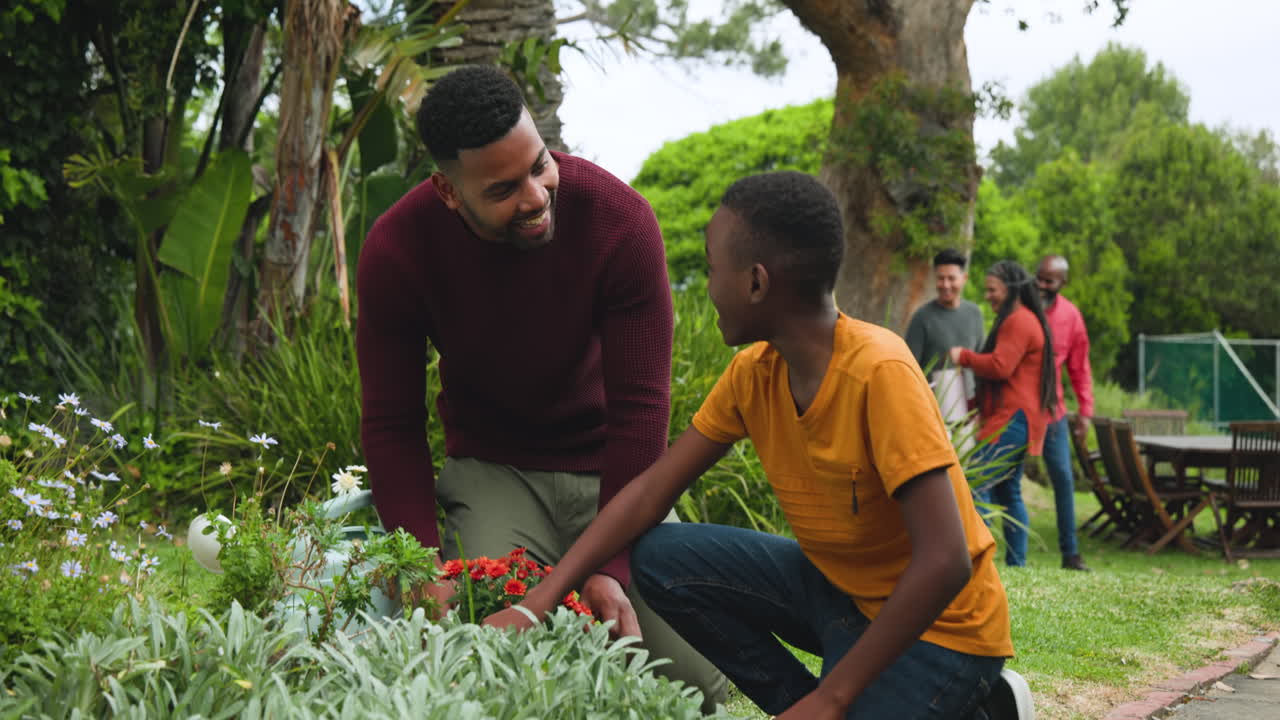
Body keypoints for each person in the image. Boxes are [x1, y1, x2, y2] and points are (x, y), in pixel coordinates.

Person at [486, 171, 1013, 719]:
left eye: (714, 269)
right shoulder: (753, 374)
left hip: (944, 630)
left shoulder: (879, 373)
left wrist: (834, 697)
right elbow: (649, 496)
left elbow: (946, 560)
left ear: (757, 283)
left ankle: (965, 702)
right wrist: (537, 602)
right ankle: (810, 705)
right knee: (664, 557)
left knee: (848, 699)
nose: (709, 286)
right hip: (842, 596)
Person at [355, 65, 726, 709]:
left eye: (540, 164)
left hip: (614, 472)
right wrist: (417, 566)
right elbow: (392, 423)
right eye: (502, 188)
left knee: (697, 684)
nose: (535, 195)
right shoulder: (397, 248)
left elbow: (641, 411)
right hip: (494, 471)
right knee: (487, 660)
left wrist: (608, 568)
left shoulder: (619, 220)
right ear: (448, 190)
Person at [950, 261, 1057, 568]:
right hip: (1016, 419)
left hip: (1012, 419)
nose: (988, 296)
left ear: (1010, 289)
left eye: (992, 289)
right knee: (1008, 491)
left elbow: (1001, 366)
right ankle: (1016, 562)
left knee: (977, 484)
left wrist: (964, 356)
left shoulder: (1019, 321)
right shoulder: (1018, 319)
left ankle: (979, 559)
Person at [1036, 255, 1094, 572]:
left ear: (1063, 283)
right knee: (1003, 477)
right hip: (1018, 411)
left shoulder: (1071, 317)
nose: (1042, 285)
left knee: (1063, 478)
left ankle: (1070, 553)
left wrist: (1085, 412)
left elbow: (1079, 368)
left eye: (1049, 281)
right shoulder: (1023, 307)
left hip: (1053, 412)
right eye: (1039, 278)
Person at [904, 248, 986, 377]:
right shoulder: (922, 317)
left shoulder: (974, 313)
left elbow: (982, 360)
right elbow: (908, 368)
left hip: (970, 396)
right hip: (932, 395)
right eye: (940, 278)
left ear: (964, 278)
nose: (946, 285)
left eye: (951, 278)